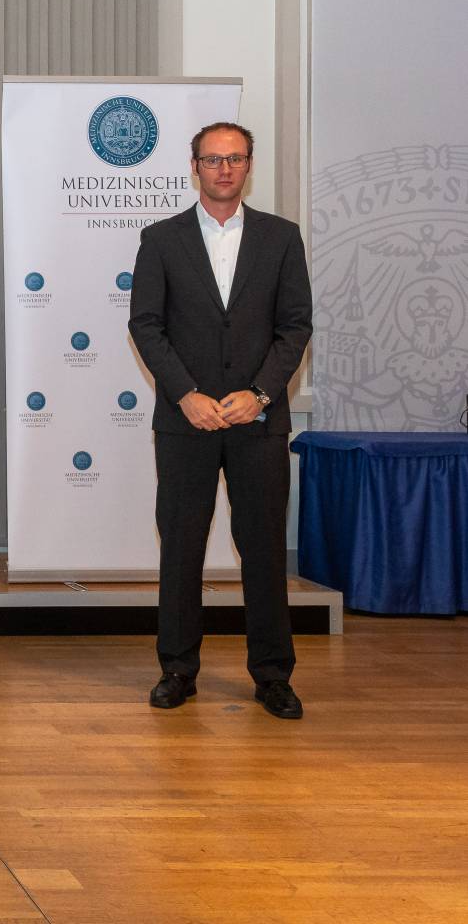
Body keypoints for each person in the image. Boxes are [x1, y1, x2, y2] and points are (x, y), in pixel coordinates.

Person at [128, 122, 313, 720]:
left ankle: (272, 675)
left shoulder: (281, 238)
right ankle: (177, 670)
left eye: (235, 159)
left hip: (258, 422)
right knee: (181, 546)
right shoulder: (161, 238)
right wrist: (184, 394)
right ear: (195, 166)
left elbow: (295, 327)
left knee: (262, 548)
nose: (224, 169)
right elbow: (146, 325)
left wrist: (259, 394)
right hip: (187, 422)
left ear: (249, 165)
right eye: (213, 159)